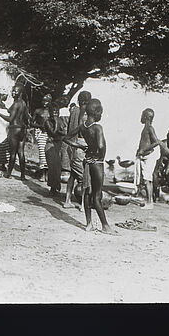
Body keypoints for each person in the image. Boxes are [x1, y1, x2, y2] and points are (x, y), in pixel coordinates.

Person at [64, 99, 117, 235]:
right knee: (97, 196)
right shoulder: (97, 127)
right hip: (97, 164)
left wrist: (81, 146)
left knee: (87, 192)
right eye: (101, 112)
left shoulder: (83, 127)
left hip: (87, 162)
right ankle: (105, 225)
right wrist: (98, 155)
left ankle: (89, 224)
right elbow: (100, 146)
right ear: (97, 112)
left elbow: (66, 138)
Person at [133, 108, 168, 209]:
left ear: (146, 117)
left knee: (147, 179)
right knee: (147, 179)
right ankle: (149, 201)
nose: (141, 117)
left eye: (142, 115)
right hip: (145, 156)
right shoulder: (146, 128)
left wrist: (143, 150)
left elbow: (156, 142)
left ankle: (149, 202)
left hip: (148, 156)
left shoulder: (149, 128)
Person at [0, 83, 30, 180]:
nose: (13, 93)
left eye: (15, 91)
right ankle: (22, 175)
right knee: (21, 153)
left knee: (13, 152)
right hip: (22, 129)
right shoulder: (23, 103)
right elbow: (26, 118)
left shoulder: (16, 104)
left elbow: (10, 119)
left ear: (20, 92)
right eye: (13, 91)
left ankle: (8, 174)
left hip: (14, 129)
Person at [62, 91, 91, 209]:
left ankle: (67, 200)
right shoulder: (86, 113)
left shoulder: (74, 111)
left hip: (73, 144)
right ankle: (83, 204)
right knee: (85, 176)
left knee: (73, 175)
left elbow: (70, 128)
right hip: (82, 144)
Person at [44, 102, 66, 195]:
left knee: (58, 168)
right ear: (50, 112)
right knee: (52, 168)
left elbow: (64, 132)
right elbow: (53, 132)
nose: (55, 113)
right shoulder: (47, 122)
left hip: (58, 145)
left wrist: (59, 128)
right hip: (51, 145)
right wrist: (56, 122)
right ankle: (53, 188)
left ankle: (56, 187)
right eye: (53, 111)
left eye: (57, 111)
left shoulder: (61, 120)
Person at [33, 93, 53, 181]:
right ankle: (42, 173)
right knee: (42, 153)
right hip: (40, 133)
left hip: (49, 134)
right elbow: (31, 122)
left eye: (47, 101)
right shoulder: (38, 111)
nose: (44, 102)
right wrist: (39, 126)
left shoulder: (52, 112)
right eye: (43, 100)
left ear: (50, 102)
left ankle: (47, 174)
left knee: (48, 152)